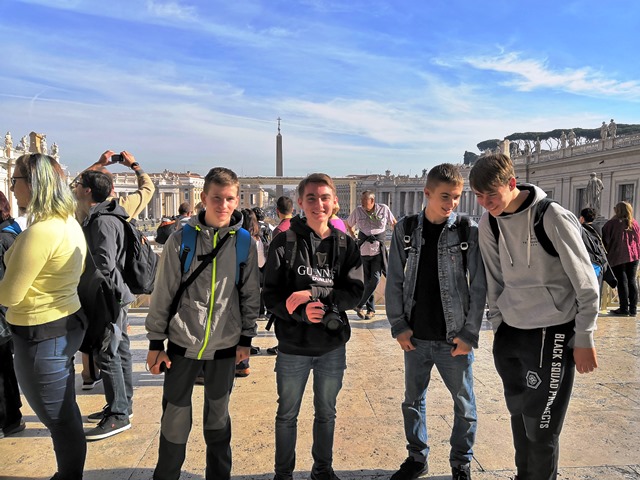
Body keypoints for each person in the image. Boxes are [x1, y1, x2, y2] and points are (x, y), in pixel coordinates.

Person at [469, 153, 599, 480]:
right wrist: (499, 326)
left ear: (511, 183)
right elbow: (495, 280)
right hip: (511, 334)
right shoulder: (489, 223)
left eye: (491, 195)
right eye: (479, 196)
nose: (485, 203)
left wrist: (584, 336)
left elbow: (586, 282)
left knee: (543, 426)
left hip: (553, 332)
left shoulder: (552, 217)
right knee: (519, 415)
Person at [145, 167, 260, 480]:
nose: (223, 205)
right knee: (174, 420)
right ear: (204, 198)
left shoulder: (244, 243)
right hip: (182, 344)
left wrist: (246, 339)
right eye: (217, 198)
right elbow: (163, 292)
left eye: (230, 198)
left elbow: (250, 294)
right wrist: (155, 342)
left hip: (225, 344)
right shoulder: (181, 240)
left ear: (237, 200)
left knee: (218, 421)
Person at [386, 164, 486, 480]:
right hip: (415, 336)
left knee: (465, 406)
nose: (451, 203)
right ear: (427, 193)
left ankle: (461, 462)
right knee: (412, 402)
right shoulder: (405, 229)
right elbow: (394, 281)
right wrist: (399, 326)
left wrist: (470, 333)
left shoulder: (467, 231)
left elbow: (479, 286)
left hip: (454, 337)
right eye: (445, 196)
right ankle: (417, 458)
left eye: (456, 197)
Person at [263, 173, 364, 480]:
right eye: (311, 198)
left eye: (324, 198)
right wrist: (300, 313)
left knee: (327, 413)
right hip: (293, 346)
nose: (318, 204)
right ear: (300, 202)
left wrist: (314, 294)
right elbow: (270, 296)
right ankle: (283, 474)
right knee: (286, 414)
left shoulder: (346, 244)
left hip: (331, 345)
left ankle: (323, 470)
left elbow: (355, 292)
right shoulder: (284, 242)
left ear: (334, 202)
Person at [0, 153, 87, 479]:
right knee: (65, 412)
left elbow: (9, 295)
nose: (12, 188)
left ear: (34, 184)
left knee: (58, 418)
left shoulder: (40, 233)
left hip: (40, 333)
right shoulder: (68, 222)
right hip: (65, 321)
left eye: (15, 180)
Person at [76, 150, 155, 390]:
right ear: (112, 189)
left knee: (100, 338)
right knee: (115, 342)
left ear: (87, 190)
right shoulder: (122, 207)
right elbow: (148, 188)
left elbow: (72, 187)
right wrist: (135, 165)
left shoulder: (79, 208)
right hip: (117, 283)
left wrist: (98, 163)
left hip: (91, 282)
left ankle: (93, 377)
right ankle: (121, 398)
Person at [73, 170, 136, 440]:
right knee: (120, 350)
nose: (75, 188)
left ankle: (119, 414)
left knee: (107, 352)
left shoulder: (101, 222)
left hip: (109, 295)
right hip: (118, 293)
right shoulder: (112, 216)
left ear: (88, 190)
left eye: (78, 184)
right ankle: (122, 404)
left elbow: (104, 264)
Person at [345, 190, 396, 319]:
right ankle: (370, 310)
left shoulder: (383, 209)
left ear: (372, 200)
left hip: (378, 250)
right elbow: (348, 224)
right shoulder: (358, 211)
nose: (361, 203)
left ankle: (359, 304)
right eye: (361, 200)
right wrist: (354, 237)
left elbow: (394, 223)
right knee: (366, 281)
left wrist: (397, 239)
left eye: (364, 200)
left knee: (375, 279)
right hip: (363, 250)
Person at [0, 191, 24, 440]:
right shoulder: (13, 232)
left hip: (3, 311)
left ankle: (7, 418)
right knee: (5, 365)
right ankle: (12, 417)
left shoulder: (3, 237)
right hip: (7, 312)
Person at [235, 208, 265, 378]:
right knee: (248, 319)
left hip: (233, 286)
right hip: (253, 284)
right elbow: (261, 263)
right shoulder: (256, 240)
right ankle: (243, 363)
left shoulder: (233, 238)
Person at [266, 196, 295, 356]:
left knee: (283, 314)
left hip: (283, 277)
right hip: (297, 276)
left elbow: (274, 258)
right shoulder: (299, 227)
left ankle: (283, 344)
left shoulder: (279, 230)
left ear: (277, 211)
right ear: (293, 209)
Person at [602, 202, 640, 316]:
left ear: (617, 210)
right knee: (632, 280)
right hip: (634, 255)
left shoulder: (611, 224)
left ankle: (624, 308)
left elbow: (605, 240)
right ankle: (633, 309)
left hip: (617, 255)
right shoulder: (634, 223)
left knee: (622, 281)